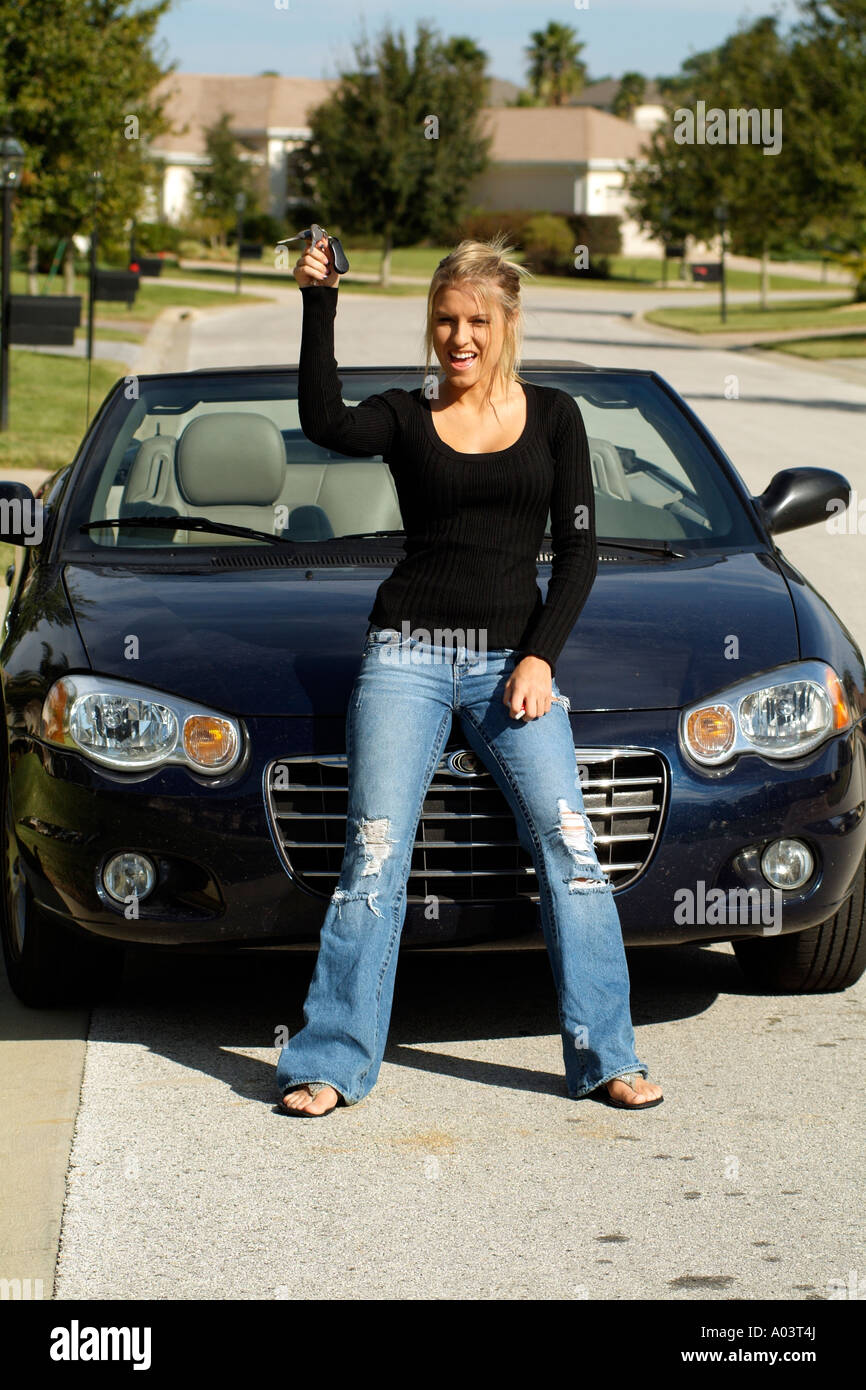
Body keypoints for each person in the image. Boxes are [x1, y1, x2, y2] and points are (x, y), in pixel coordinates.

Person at [275, 232, 663, 1117]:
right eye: (445, 320)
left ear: (508, 322)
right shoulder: (407, 417)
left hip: (509, 664)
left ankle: (606, 1054)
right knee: (373, 855)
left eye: (476, 320)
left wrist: (539, 656)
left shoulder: (557, 417)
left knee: (571, 847)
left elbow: (578, 554)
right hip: (406, 655)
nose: (459, 337)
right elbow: (323, 421)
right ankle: (330, 1059)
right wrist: (318, 299)